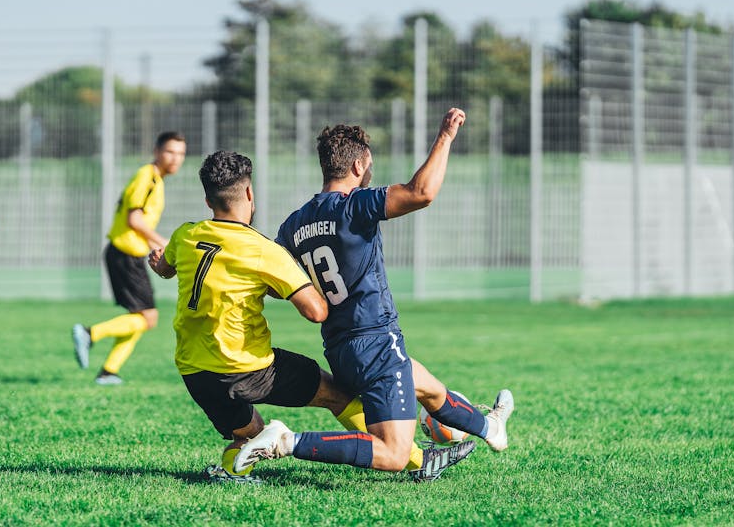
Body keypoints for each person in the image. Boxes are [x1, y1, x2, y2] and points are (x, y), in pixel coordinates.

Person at [148, 151, 466, 483]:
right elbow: (316, 311)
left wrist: (160, 265)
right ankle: (417, 460)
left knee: (250, 433)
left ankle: (230, 472)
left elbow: (165, 267)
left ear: (207, 200)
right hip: (248, 368)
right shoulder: (263, 250)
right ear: (250, 193)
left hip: (195, 372)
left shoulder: (185, 236)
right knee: (336, 395)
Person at [235, 108, 512, 480]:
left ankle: (490, 427)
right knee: (394, 453)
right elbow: (421, 193)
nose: (371, 172)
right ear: (358, 165)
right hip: (376, 340)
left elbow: (273, 283)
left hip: (339, 348)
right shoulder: (354, 206)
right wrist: (445, 137)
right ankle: (286, 441)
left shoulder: (294, 224)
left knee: (430, 389)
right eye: (370, 165)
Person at [72, 132, 186, 385]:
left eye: (181, 154)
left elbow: (140, 224)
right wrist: (165, 243)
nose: (176, 158)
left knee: (140, 318)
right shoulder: (148, 177)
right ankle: (89, 334)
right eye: (170, 152)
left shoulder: (156, 180)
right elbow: (134, 220)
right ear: (156, 151)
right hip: (125, 254)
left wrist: (157, 248)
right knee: (148, 318)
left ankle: (108, 372)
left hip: (129, 254)